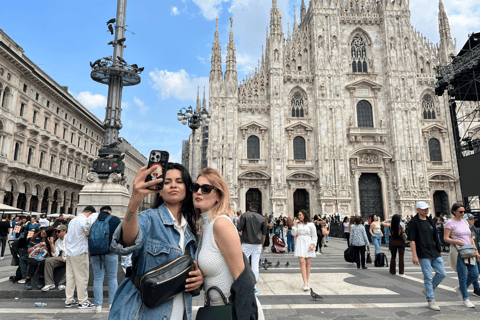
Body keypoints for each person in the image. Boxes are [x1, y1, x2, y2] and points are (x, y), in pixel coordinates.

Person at [109, 163, 203, 320]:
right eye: (166, 182)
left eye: (179, 181)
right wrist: (135, 201)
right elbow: (126, 241)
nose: (173, 185)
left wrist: (198, 279)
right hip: (141, 313)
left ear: (187, 188)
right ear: (159, 189)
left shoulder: (190, 231)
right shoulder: (148, 219)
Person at [194, 167, 263, 319]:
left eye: (206, 189)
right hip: (216, 310)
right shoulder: (206, 226)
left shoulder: (220, 223)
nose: (199, 192)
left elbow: (243, 280)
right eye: (195, 187)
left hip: (232, 311)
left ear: (218, 195)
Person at [408, 201, 446, 311]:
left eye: (427, 208)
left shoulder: (430, 221)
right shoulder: (413, 223)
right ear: (417, 209)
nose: (426, 210)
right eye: (423, 208)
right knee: (428, 277)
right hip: (423, 253)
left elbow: (435, 236)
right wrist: (415, 255)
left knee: (442, 273)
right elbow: (412, 240)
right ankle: (431, 300)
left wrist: (438, 249)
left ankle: (429, 289)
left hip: (434, 252)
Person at [443, 203, 479, 308]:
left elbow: (470, 238)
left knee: (474, 274)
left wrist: (476, 251)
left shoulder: (464, 222)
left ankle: (461, 289)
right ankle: (465, 298)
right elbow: (445, 238)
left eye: (464, 211)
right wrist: (456, 241)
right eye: (461, 212)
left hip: (469, 250)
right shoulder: (449, 223)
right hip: (458, 251)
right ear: (454, 211)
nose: (463, 214)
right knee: (462, 276)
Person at [89, 205, 121, 313]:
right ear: (110, 212)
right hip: (111, 252)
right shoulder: (115, 220)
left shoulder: (93, 220)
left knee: (98, 279)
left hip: (95, 253)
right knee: (112, 278)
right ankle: (112, 304)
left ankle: (98, 306)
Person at [64, 206, 96, 308]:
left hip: (69, 252)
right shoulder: (84, 220)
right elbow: (88, 234)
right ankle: (83, 301)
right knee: (82, 277)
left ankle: (69, 300)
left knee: (70, 277)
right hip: (80, 251)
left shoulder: (73, 221)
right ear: (90, 213)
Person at [237, 203, 267, 292]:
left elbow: (239, 228)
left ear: (250, 207)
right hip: (257, 244)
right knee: (255, 265)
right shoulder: (262, 218)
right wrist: (262, 244)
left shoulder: (245, 215)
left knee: (242, 263)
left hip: (246, 243)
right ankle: (254, 287)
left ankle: (242, 284)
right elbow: (264, 233)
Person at [292, 209, 317, 291]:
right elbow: (293, 234)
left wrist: (313, 244)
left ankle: (307, 281)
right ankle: (305, 282)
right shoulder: (298, 225)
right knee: (302, 262)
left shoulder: (311, 225)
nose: (299, 216)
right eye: (298, 215)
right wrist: (295, 224)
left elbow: (314, 236)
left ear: (304, 215)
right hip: (300, 243)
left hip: (308, 243)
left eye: (300, 215)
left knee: (308, 263)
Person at [42, 224, 68, 291]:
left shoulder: (71, 238)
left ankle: (63, 283)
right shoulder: (58, 241)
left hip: (72, 256)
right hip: (63, 257)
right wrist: (51, 244)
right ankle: (49, 283)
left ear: (64, 231)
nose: (57, 233)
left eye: (58, 231)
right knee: (49, 261)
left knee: (73, 263)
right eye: (56, 231)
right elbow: (55, 255)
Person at [465, 213, 480, 297]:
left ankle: (465, 287)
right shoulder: (466, 229)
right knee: (474, 272)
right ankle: (476, 288)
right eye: (470, 219)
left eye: (473, 219)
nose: (473, 221)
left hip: (475, 251)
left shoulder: (473, 228)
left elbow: (476, 240)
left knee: (475, 272)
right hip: (469, 252)